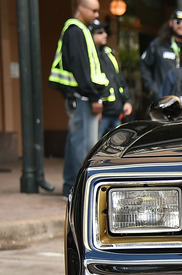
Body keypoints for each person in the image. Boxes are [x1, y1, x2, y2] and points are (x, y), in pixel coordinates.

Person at [48, 0, 108, 196]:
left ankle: (70, 188)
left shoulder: (79, 29)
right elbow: (81, 68)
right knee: (83, 145)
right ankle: (78, 191)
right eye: (94, 10)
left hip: (80, 95)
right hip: (81, 97)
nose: (97, 14)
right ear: (80, 8)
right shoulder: (75, 30)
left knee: (76, 142)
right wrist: (94, 97)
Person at [89, 19, 133, 137]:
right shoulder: (89, 56)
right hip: (101, 113)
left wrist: (127, 101)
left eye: (105, 31)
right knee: (95, 147)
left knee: (117, 147)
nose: (105, 35)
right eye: (100, 32)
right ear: (90, 35)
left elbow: (120, 79)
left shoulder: (109, 53)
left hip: (116, 111)